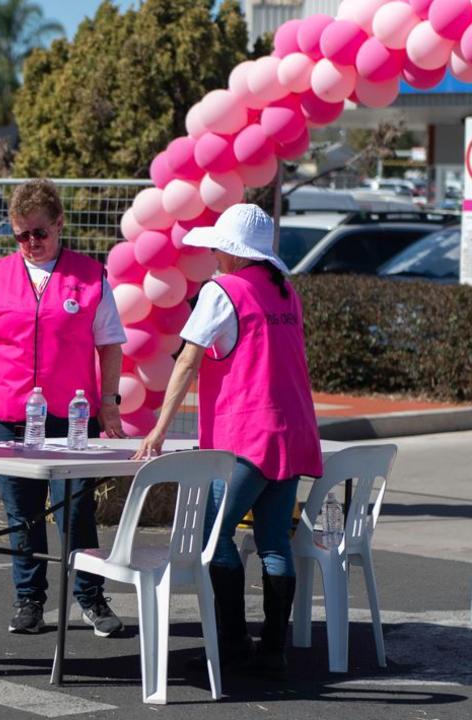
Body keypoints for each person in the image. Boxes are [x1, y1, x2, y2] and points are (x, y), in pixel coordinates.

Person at [134, 203, 322, 680]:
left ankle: (233, 646)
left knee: (213, 539)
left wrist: (158, 430)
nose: (214, 252)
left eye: (220, 245)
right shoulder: (286, 293)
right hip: (293, 430)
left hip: (245, 437)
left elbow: (187, 361)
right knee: (274, 542)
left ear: (233, 252)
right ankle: (273, 649)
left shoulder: (222, 291)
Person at [0, 179, 128, 638]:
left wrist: (108, 403)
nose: (31, 244)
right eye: (20, 235)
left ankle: (90, 598)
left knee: (75, 513)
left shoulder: (91, 277)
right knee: (21, 515)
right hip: (8, 415)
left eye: (39, 233)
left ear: (59, 225)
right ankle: (29, 601)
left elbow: (110, 345)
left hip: (70, 418)